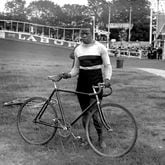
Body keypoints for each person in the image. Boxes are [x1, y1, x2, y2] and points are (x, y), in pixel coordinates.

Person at [58, 27, 112, 148]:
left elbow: (108, 66)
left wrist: (107, 79)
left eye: (86, 33)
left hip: (96, 84)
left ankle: (100, 138)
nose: (83, 36)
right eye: (82, 34)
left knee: (94, 113)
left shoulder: (100, 47)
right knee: (85, 114)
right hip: (82, 84)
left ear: (92, 34)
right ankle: (89, 139)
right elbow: (76, 68)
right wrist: (69, 74)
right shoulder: (78, 49)